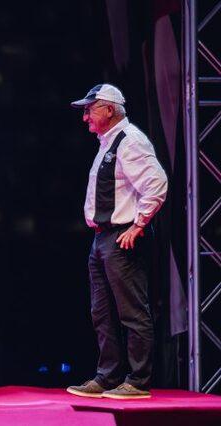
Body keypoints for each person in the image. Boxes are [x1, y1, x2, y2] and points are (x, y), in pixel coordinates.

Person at [67, 84, 168, 399]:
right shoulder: (108, 143)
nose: (85, 117)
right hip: (102, 238)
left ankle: (138, 380)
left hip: (121, 237)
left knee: (131, 311)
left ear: (109, 109)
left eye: (90, 110)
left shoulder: (130, 141)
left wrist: (138, 225)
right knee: (102, 312)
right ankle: (108, 376)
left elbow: (156, 183)